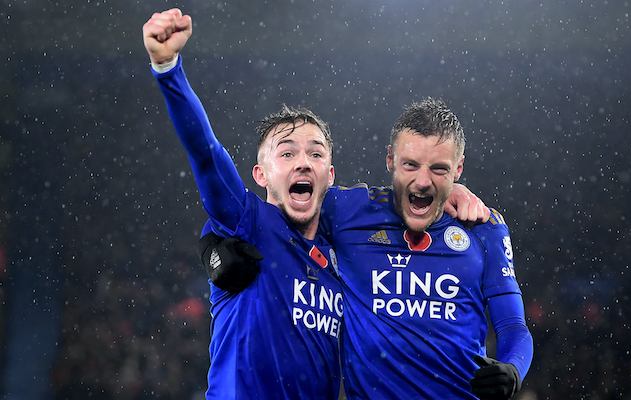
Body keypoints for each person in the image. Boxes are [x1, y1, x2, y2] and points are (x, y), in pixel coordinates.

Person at [207, 100, 534, 398]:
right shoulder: (348, 210)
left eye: (439, 168)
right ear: (390, 159)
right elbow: (269, 209)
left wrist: (514, 369)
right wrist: (211, 247)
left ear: (458, 169)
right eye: (410, 165)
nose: (422, 181)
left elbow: (513, 327)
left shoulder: (483, 228)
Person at [142, 9, 343, 399]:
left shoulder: (347, 254)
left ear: (330, 177)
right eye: (287, 154)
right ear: (261, 175)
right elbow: (206, 153)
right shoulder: (247, 222)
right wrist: (168, 70)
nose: (303, 161)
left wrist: (452, 190)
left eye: (316, 154)